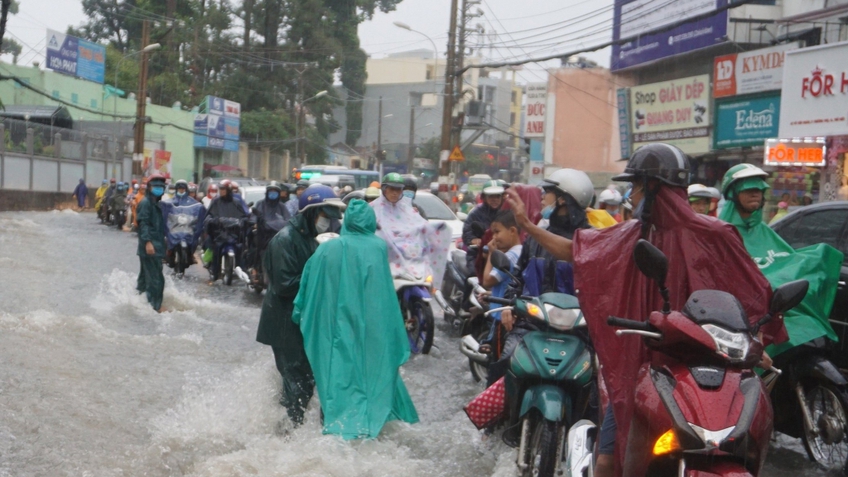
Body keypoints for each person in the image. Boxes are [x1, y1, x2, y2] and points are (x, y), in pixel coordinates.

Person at [504, 143, 786, 477]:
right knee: (608, 462)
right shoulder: (629, 236)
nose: (631, 196)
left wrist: (760, 338)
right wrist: (527, 224)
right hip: (646, 369)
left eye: (635, 187)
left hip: (710, 368)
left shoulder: (717, 235)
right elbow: (575, 251)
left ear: (653, 187)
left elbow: (752, 291)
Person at [292, 199, 419, 439]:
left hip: (336, 328)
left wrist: (302, 314)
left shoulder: (327, 249)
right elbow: (384, 294)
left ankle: (336, 429)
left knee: (337, 377)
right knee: (371, 375)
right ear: (371, 222)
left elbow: (308, 287)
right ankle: (369, 427)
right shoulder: (379, 247)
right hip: (371, 327)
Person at [719, 164, 842, 360]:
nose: (756, 195)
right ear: (733, 193)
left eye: (759, 190)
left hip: (783, 313)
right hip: (744, 320)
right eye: (749, 190)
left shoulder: (765, 231)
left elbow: (788, 263)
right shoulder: (722, 233)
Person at [256, 184, 345, 428]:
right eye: (325, 216)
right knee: (296, 379)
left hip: (302, 323)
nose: (328, 223)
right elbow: (285, 285)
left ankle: (289, 429)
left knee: (305, 380)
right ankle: (287, 437)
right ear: (310, 213)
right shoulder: (285, 241)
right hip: (284, 324)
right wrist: (320, 278)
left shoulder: (311, 238)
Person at [370, 173, 451, 287]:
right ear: (384, 189)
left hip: (409, 257)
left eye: (398, 190)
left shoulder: (409, 210)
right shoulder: (372, 209)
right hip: (385, 258)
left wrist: (435, 228)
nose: (395, 193)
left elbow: (420, 226)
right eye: (392, 189)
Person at [479, 210, 523, 387]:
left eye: (497, 232)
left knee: (498, 364)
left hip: (503, 316)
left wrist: (491, 253)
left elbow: (488, 280)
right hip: (507, 308)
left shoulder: (512, 254)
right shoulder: (521, 251)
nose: (494, 237)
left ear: (513, 231)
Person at [247, 181, 293, 282]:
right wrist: (255, 223)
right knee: (255, 249)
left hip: (277, 236)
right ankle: (254, 269)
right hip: (262, 235)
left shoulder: (282, 206)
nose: (273, 194)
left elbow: (288, 220)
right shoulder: (260, 204)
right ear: (267, 193)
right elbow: (254, 217)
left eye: (275, 192)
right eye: (270, 191)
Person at [203, 180, 249, 282]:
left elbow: (244, 216)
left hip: (234, 234)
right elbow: (209, 215)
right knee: (216, 248)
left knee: (241, 248)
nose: (221, 191)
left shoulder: (236, 202)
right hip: (219, 233)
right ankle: (215, 271)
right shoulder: (216, 202)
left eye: (224, 189)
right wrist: (213, 221)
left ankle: (241, 269)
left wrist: (242, 222)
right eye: (221, 189)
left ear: (228, 190)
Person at [136, 174, 168, 312]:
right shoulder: (146, 203)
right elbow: (143, 225)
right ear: (149, 187)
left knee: (145, 279)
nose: (159, 189)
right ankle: (155, 307)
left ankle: (140, 303)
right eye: (156, 186)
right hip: (150, 248)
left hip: (156, 247)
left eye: (161, 187)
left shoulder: (156, 204)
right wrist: (148, 243)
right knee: (156, 280)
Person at [462, 180, 506, 270]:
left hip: (502, 254)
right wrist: (475, 240)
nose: (495, 199)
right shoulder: (475, 213)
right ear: (484, 197)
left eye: (498, 196)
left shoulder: (506, 212)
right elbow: (467, 233)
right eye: (491, 196)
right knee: (474, 276)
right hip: (478, 255)